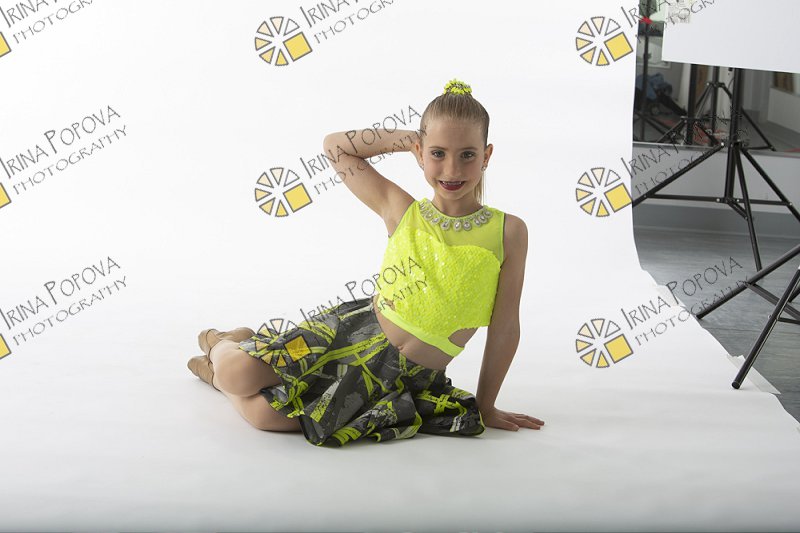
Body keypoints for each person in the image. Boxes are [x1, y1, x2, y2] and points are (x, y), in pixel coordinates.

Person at [187, 79, 545, 447]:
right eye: (438, 153)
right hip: (345, 335)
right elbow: (336, 147)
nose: (451, 168)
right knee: (237, 375)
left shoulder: (508, 232)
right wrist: (409, 139)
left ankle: (217, 374)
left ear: (486, 156)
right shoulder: (402, 210)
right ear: (421, 153)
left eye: (467, 154)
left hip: (402, 379)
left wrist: (486, 405)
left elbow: (505, 328)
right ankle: (225, 344)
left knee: (266, 417)